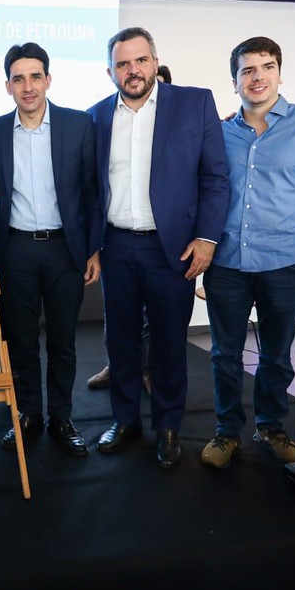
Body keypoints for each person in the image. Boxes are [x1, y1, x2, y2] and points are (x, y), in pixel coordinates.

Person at [200, 37, 295, 469]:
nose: (257, 77)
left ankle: (271, 427)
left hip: (287, 262)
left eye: (266, 67)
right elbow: (203, 194)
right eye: (247, 70)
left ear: (280, 73)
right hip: (226, 263)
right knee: (224, 354)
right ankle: (227, 433)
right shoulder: (218, 132)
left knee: (276, 354)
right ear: (234, 82)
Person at [88, 27, 229, 468]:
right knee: (121, 341)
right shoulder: (95, 116)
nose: (133, 71)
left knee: (170, 344)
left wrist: (207, 239)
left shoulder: (193, 103)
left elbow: (215, 177)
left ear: (154, 61)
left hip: (172, 250)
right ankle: (126, 420)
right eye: (123, 64)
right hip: (116, 247)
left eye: (140, 60)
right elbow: (90, 189)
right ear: (110, 71)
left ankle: (168, 427)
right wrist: (93, 246)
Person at [0, 42, 101, 456]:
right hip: (16, 250)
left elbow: (91, 193)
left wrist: (93, 250)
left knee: (63, 342)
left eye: (35, 76)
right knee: (21, 342)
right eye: (18, 78)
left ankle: (62, 417)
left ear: (48, 80)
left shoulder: (78, 125)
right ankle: (27, 415)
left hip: (65, 251)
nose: (28, 86)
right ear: (7, 86)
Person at [87, 68, 174, 392]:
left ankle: (150, 372)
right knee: (120, 316)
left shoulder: (177, 124)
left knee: (158, 321)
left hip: (164, 241)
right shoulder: (100, 117)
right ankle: (119, 370)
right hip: (118, 237)